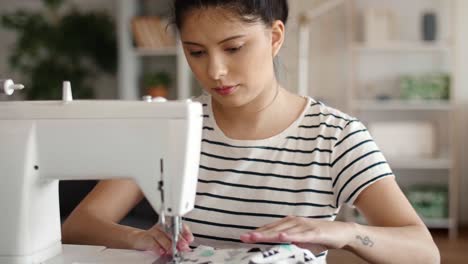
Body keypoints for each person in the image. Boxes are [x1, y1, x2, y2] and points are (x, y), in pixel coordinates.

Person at [62, 0, 440, 263]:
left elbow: (424, 252)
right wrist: (139, 238)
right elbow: (79, 224)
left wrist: (345, 233)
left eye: (233, 48)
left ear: (275, 37)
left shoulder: (336, 137)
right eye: (196, 52)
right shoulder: (171, 128)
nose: (215, 71)